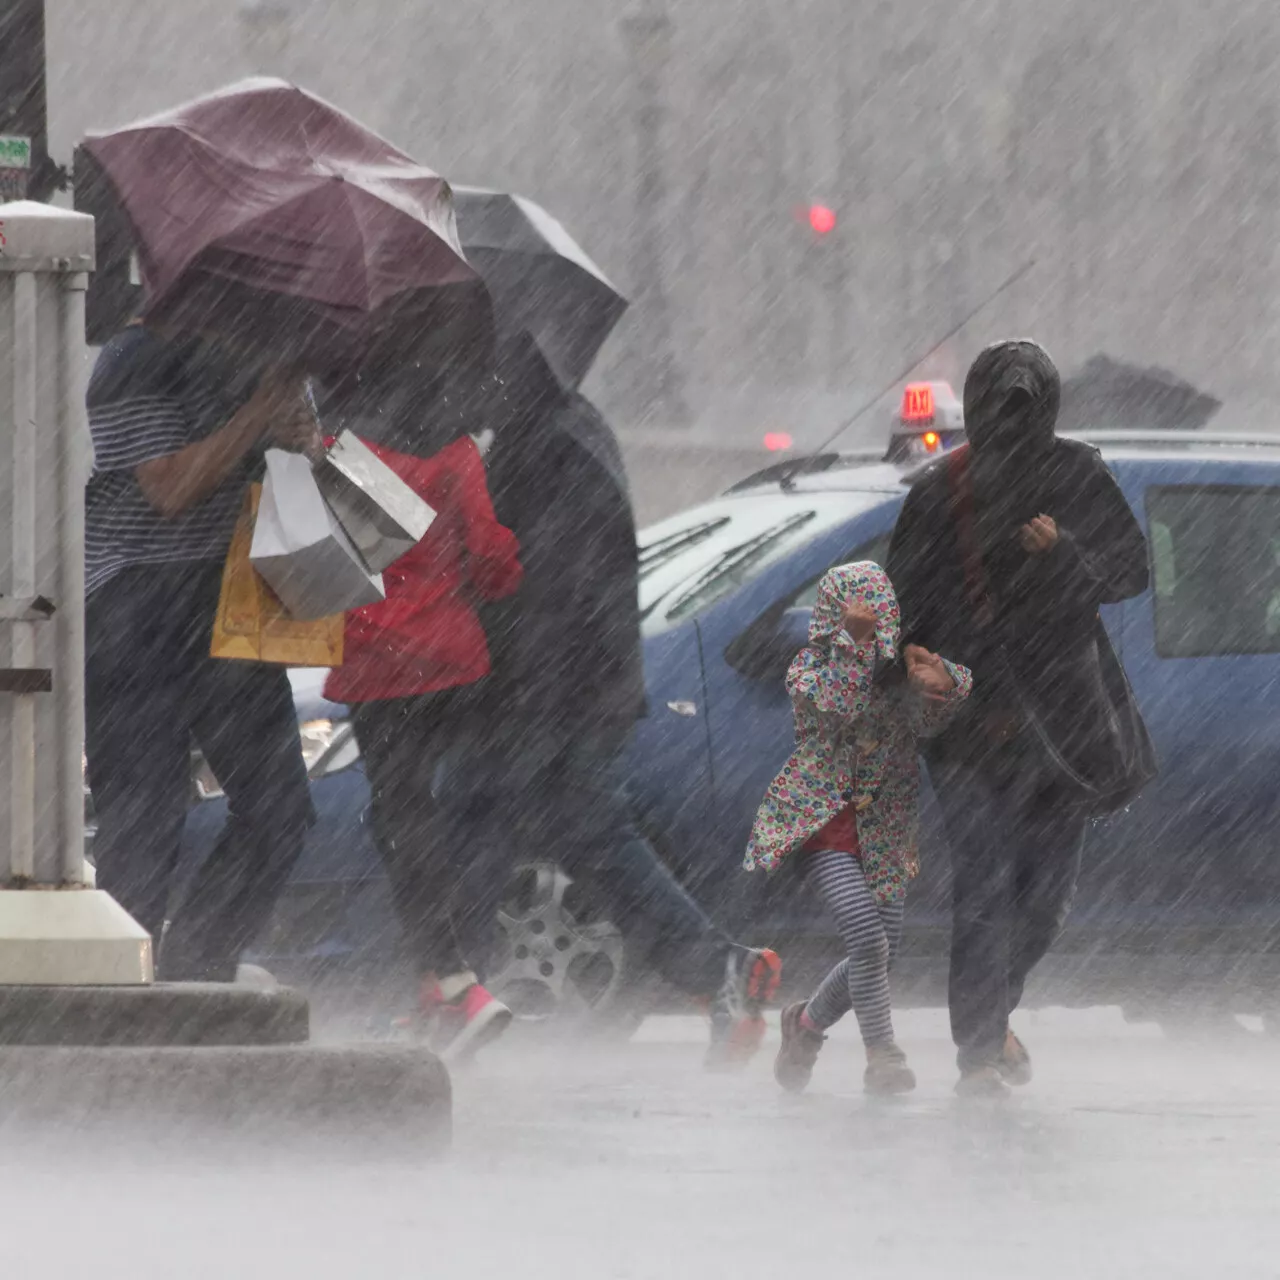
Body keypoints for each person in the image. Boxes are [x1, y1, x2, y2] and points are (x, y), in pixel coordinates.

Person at [476, 333, 782, 1068]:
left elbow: (541, 591)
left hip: (559, 691)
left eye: (484, 379)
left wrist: (508, 680)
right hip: (582, 685)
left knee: (500, 817)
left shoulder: (544, 453)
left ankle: (453, 986)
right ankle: (719, 974)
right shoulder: (569, 432)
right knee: (588, 834)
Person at [886, 339, 1150, 1096]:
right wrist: (908, 659)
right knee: (985, 881)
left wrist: (1064, 550)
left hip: (1059, 723)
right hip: (968, 723)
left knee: (1041, 900)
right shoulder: (941, 492)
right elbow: (898, 598)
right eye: (1000, 407)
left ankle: (991, 1015)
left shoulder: (1078, 477)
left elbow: (1129, 570)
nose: (1012, 422)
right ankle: (976, 1046)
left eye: (1025, 409)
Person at [85, 322, 318, 981]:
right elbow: (168, 488)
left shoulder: (263, 352)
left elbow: (294, 461)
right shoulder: (137, 356)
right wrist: (256, 414)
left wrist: (302, 439)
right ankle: (120, 999)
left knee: (279, 809)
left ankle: (195, 970)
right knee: (144, 819)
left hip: (230, 602)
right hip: (133, 608)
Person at [321, 370, 525, 1063]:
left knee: (401, 815)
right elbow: (494, 561)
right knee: (427, 815)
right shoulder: (455, 447)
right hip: (451, 662)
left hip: (378, 664)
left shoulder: (337, 446)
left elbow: (315, 567)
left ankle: (458, 981)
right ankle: (439, 986)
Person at [745, 563, 972, 1094]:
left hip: (886, 829)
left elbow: (933, 723)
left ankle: (805, 1025)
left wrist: (945, 681)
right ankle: (882, 1054)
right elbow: (834, 710)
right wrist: (851, 646)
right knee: (868, 939)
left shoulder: (899, 677)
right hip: (826, 826)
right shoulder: (809, 669)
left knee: (881, 947)